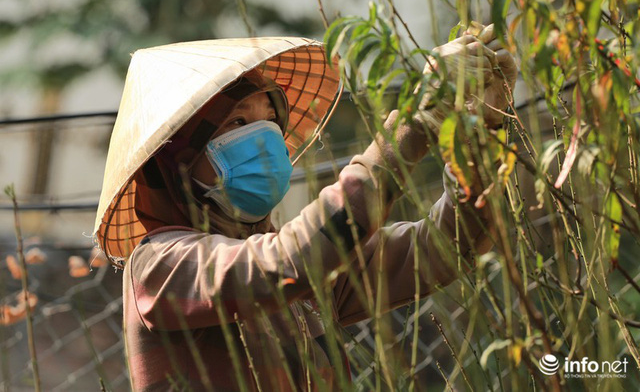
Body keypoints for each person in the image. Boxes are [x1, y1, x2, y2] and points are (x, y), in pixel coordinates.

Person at [93, 28, 517, 391]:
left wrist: (481, 133)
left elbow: (442, 250)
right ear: (177, 159)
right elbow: (286, 262)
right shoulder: (160, 265)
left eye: (270, 123)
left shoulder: (303, 274)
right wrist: (416, 120)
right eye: (239, 123)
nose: (265, 140)